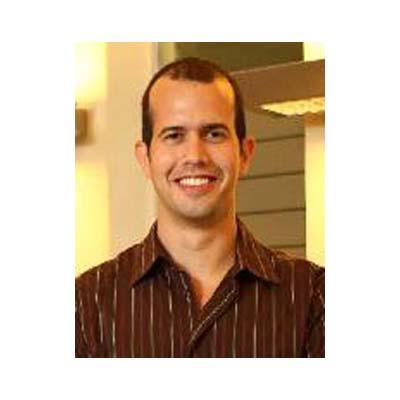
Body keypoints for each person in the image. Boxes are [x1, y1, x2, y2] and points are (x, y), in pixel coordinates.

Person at [75, 57, 325, 358]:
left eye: (214, 134)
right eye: (174, 135)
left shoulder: (313, 297)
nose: (194, 155)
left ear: (245, 154)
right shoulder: (86, 303)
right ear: (145, 158)